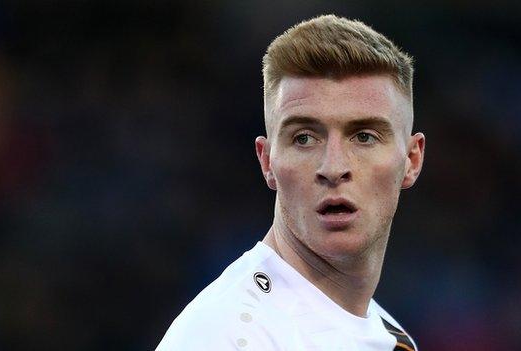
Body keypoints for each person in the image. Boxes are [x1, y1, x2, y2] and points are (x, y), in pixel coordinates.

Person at [157, 14, 425, 351]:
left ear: (411, 160)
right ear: (267, 161)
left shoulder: (390, 336)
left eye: (364, 137)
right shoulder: (229, 337)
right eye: (304, 138)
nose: (334, 167)